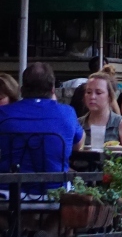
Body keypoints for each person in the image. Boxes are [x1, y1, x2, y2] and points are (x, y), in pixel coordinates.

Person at [0, 63, 82, 192]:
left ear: (22, 89)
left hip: (9, 194)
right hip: (55, 193)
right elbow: (78, 145)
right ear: (53, 89)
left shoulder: (3, 113)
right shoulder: (67, 113)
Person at [79, 71, 122, 149]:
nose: (92, 96)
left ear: (110, 96)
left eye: (98, 93)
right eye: (88, 92)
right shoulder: (77, 124)